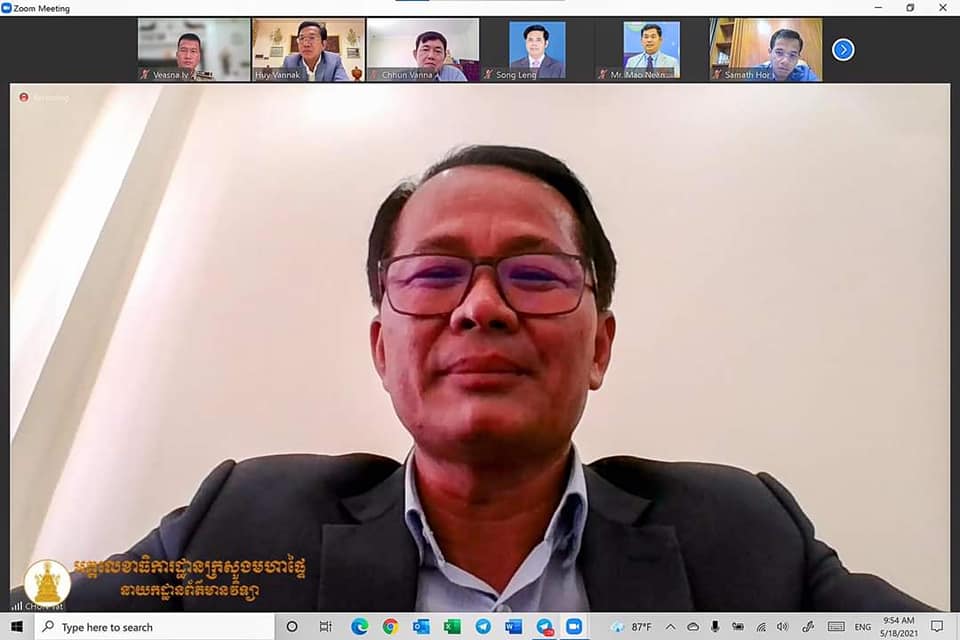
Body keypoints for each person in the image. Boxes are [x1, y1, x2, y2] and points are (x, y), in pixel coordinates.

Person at [10, 146, 936, 612]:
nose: (481, 308)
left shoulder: (743, 536)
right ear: (383, 349)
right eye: (435, 274)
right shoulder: (246, 520)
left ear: (600, 347)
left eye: (534, 274)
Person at [282, 21, 349, 82]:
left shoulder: (334, 61)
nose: (306, 44)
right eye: (301, 38)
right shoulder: (289, 62)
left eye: (312, 38)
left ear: (323, 44)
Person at [751, 28, 819, 82]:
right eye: (779, 53)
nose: (785, 61)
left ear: (798, 58)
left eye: (792, 55)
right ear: (770, 53)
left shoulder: (806, 75)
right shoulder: (755, 74)